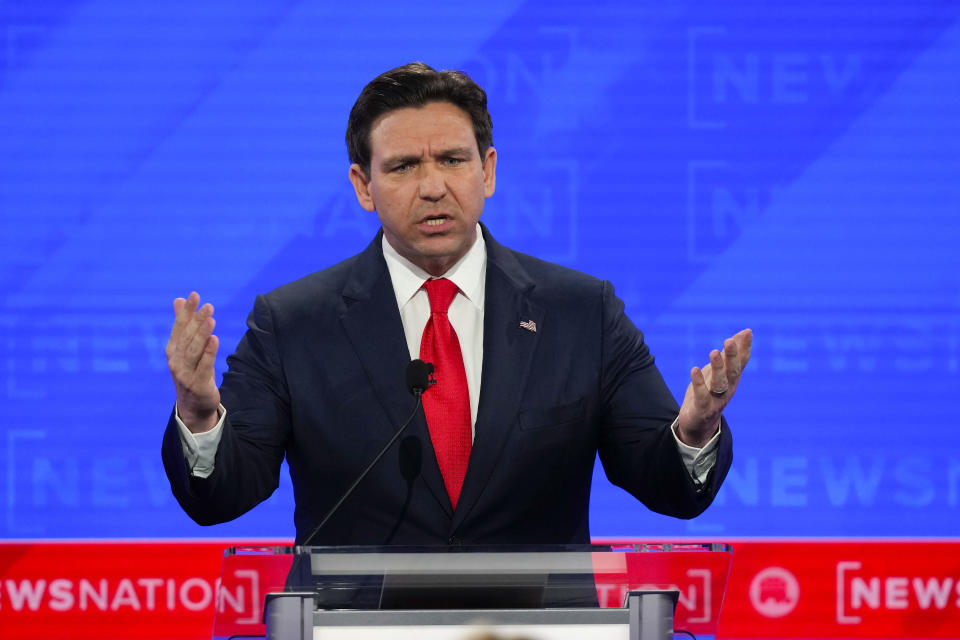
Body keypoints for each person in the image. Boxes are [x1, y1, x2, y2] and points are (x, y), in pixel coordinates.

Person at [162, 62, 751, 549]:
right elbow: (224, 496)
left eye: (452, 159)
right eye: (403, 166)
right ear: (363, 187)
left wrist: (695, 431)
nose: (433, 186)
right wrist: (199, 414)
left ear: (487, 170)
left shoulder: (581, 313)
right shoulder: (293, 322)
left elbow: (670, 488)